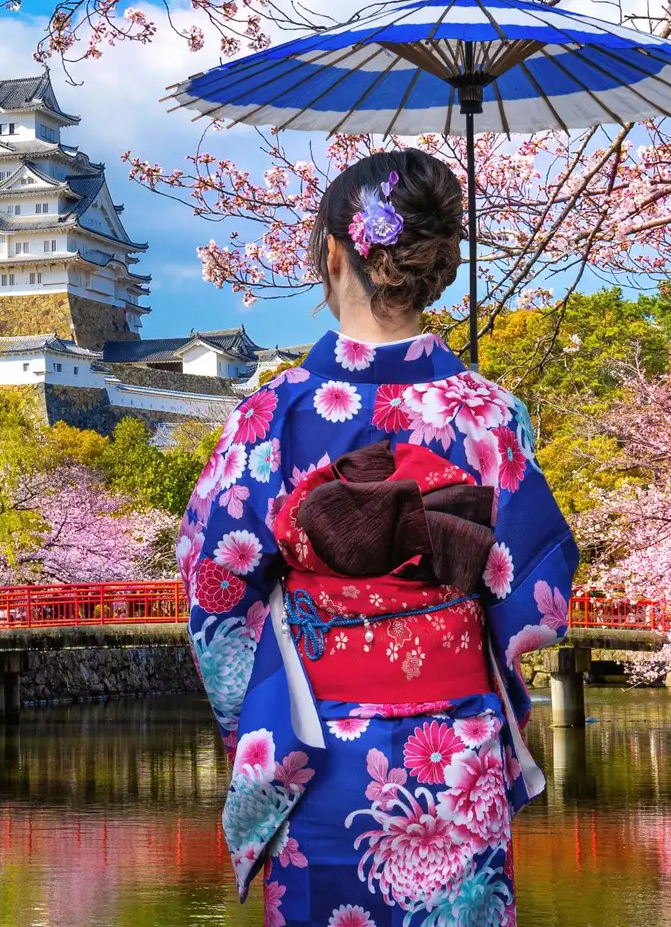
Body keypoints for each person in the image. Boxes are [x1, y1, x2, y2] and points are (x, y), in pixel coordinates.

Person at [179, 148, 578, 927]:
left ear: (333, 253)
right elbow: (537, 592)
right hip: (456, 749)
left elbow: (212, 589)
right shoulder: (495, 416)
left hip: (319, 750)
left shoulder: (271, 418)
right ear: (436, 265)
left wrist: (258, 719)